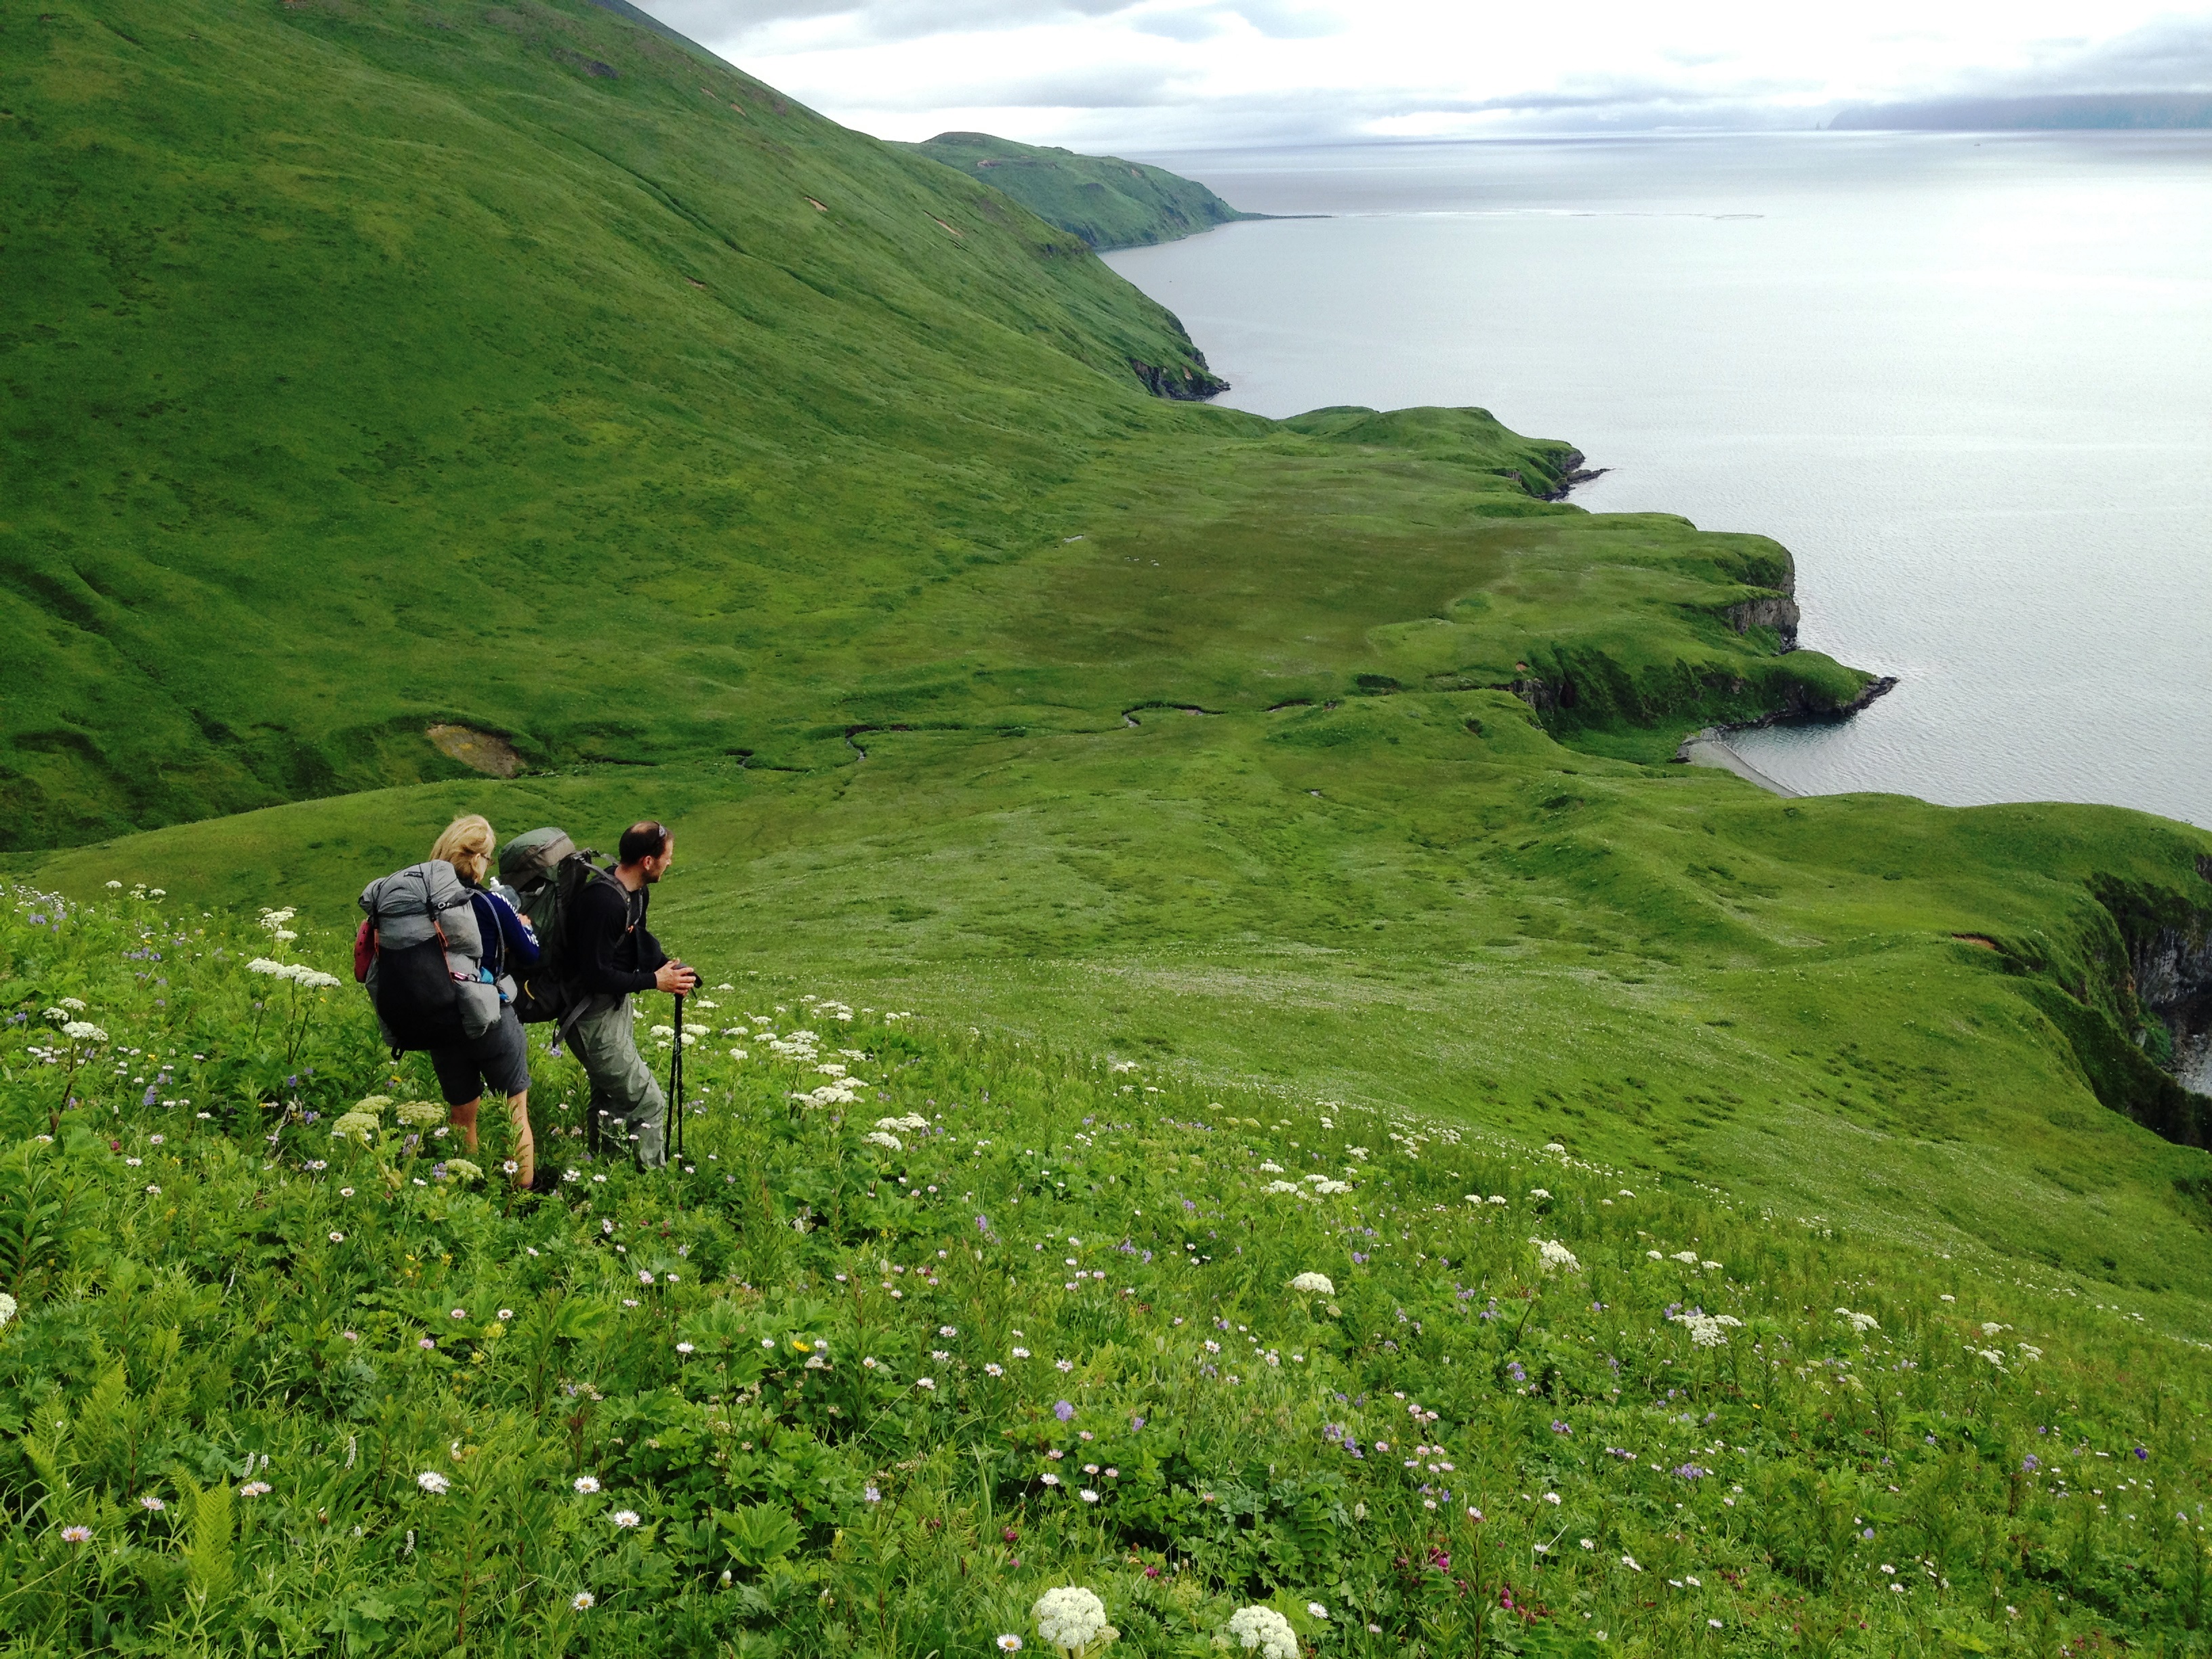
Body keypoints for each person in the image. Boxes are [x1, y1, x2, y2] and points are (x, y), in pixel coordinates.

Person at [567, 819, 697, 1168]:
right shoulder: (603, 903)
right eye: (667, 856)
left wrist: (672, 968)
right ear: (648, 861)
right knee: (649, 1101)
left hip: (613, 1009)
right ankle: (651, 1180)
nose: (670, 862)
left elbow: (633, 945)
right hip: (589, 1017)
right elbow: (595, 975)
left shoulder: (636, 892)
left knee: (612, 1096)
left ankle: (604, 1167)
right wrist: (656, 981)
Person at [426, 815, 541, 1187]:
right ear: (477, 859)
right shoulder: (491, 902)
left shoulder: (424, 904)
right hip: (491, 1016)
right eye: (487, 858)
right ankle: (520, 1202)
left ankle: (466, 1195)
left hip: (443, 1021)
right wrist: (524, 927)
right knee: (516, 1113)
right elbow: (530, 956)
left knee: (461, 1115)